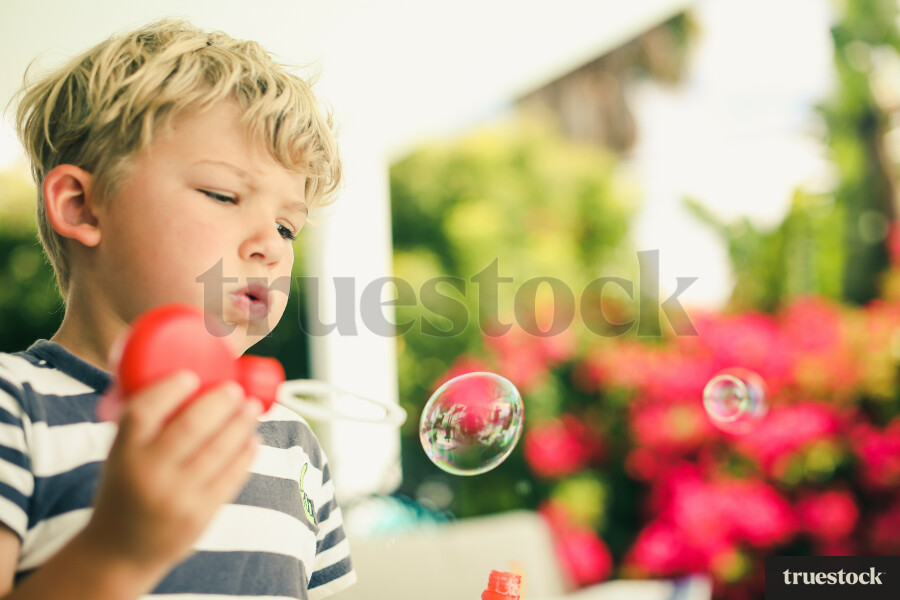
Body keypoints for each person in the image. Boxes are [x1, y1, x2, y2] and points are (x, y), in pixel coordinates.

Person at [0, 18, 355, 600]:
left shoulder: (291, 446)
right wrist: (117, 551)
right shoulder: (15, 411)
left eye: (288, 227)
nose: (270, 245)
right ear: (83, 207)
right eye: (223, 195)